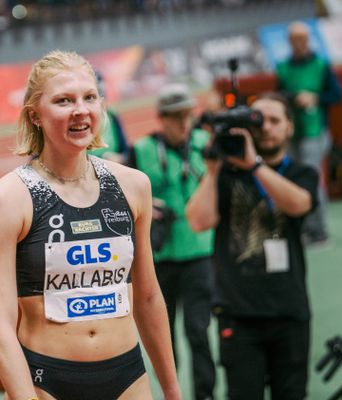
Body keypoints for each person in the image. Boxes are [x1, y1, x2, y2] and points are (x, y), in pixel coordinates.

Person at [0, 50, 182, 400]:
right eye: (63, 100)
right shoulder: (7, 200)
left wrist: (173, 391)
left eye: (90, 97)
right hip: (49, 380)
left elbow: (147, 297)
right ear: (35, 116)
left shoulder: (133, 186)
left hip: (127, 376)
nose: (81, 110)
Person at [186, 92, 318, 400]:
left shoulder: (301, 173)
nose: (267, 128)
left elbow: (300, 204)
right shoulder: (225, 175)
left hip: (289, 311)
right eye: (259, 121)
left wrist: (254, 165)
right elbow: (198, 221)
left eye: (275, 121)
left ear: (290, 128)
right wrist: (214, 169)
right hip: (238, 314)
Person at [128, 83, 216, 400]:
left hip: (199, 252)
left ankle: (205, 394)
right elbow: (124, 199)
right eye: (175, 117)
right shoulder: (141, 150)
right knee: (163, 335)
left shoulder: (207, 144)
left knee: (198, 330)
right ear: (161, 118)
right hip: (160, 257)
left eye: (188, 115)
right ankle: (171, 393)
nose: (183, 123)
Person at [275, 21, 342, 245]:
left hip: (315, 132)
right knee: (292, 180)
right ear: (289, 42)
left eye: (303, 38)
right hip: (291, 133)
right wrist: (294, 98)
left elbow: (337, 94)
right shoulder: (283, 67)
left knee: (312, 179)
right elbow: (278, 96)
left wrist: (316, 98)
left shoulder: (321, 65)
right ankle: (301, 228)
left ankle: (318, 229)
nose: (300, 43)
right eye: (296, 39)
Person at [88, 71, 129, 164]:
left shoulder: (111, 114)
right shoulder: (80, 118)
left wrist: (120, 158)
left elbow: (125, 150)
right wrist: (102, 158)